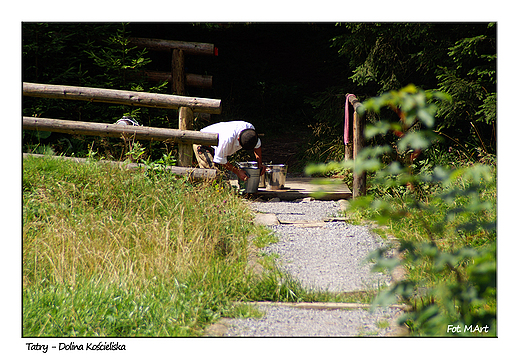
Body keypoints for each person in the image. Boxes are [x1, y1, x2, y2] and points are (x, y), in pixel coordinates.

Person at [193, 121, 267, 181]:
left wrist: (259, 163)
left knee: (221, 175)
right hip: (203, 143)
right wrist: (238, 171)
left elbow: (257, 146)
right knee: (212, 174)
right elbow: (220, 160)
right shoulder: (227, 140)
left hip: (217, 147)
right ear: (238, 139)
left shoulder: (250, 132)